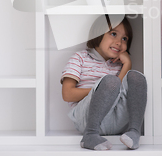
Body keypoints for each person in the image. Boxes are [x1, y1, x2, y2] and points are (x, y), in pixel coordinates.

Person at [61, 14, 147, 151]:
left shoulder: (119, 65)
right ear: (98, 33)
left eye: (124, 39)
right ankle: (90, 135)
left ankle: (134, 132)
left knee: (137, 78)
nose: (119, 42)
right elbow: (67, 94)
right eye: (113, 34)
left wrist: (127, 65)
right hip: (87, 119)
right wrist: (100, 91)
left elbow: (118, 91)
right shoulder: (80, 58)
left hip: (116, 120)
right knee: (111, 82)